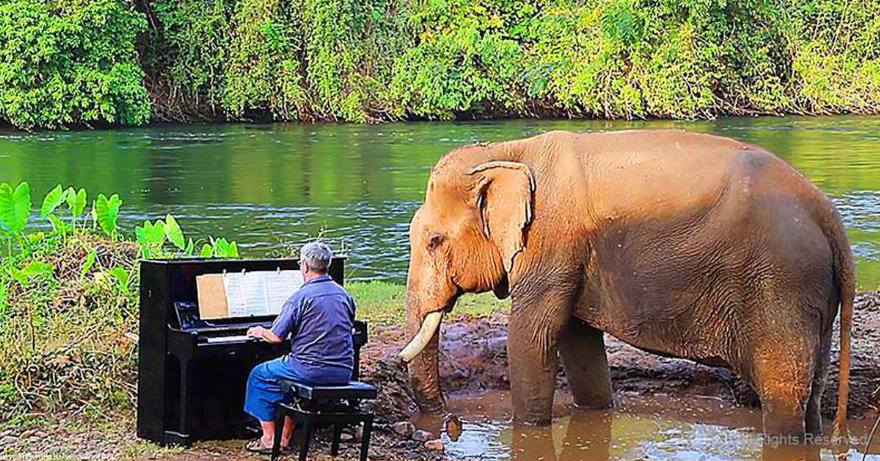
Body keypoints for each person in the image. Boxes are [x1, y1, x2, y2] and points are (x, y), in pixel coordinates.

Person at [243, 242, 356, 453]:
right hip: (342, 370)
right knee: (289, 380)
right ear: (327, 265)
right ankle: (284, 438)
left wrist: (259, 331)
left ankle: (269, 439)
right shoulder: (344, 295)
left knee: (259, 375)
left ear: (304, 266)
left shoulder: (300, 297)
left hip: (309, 370)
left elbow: (276, 337)